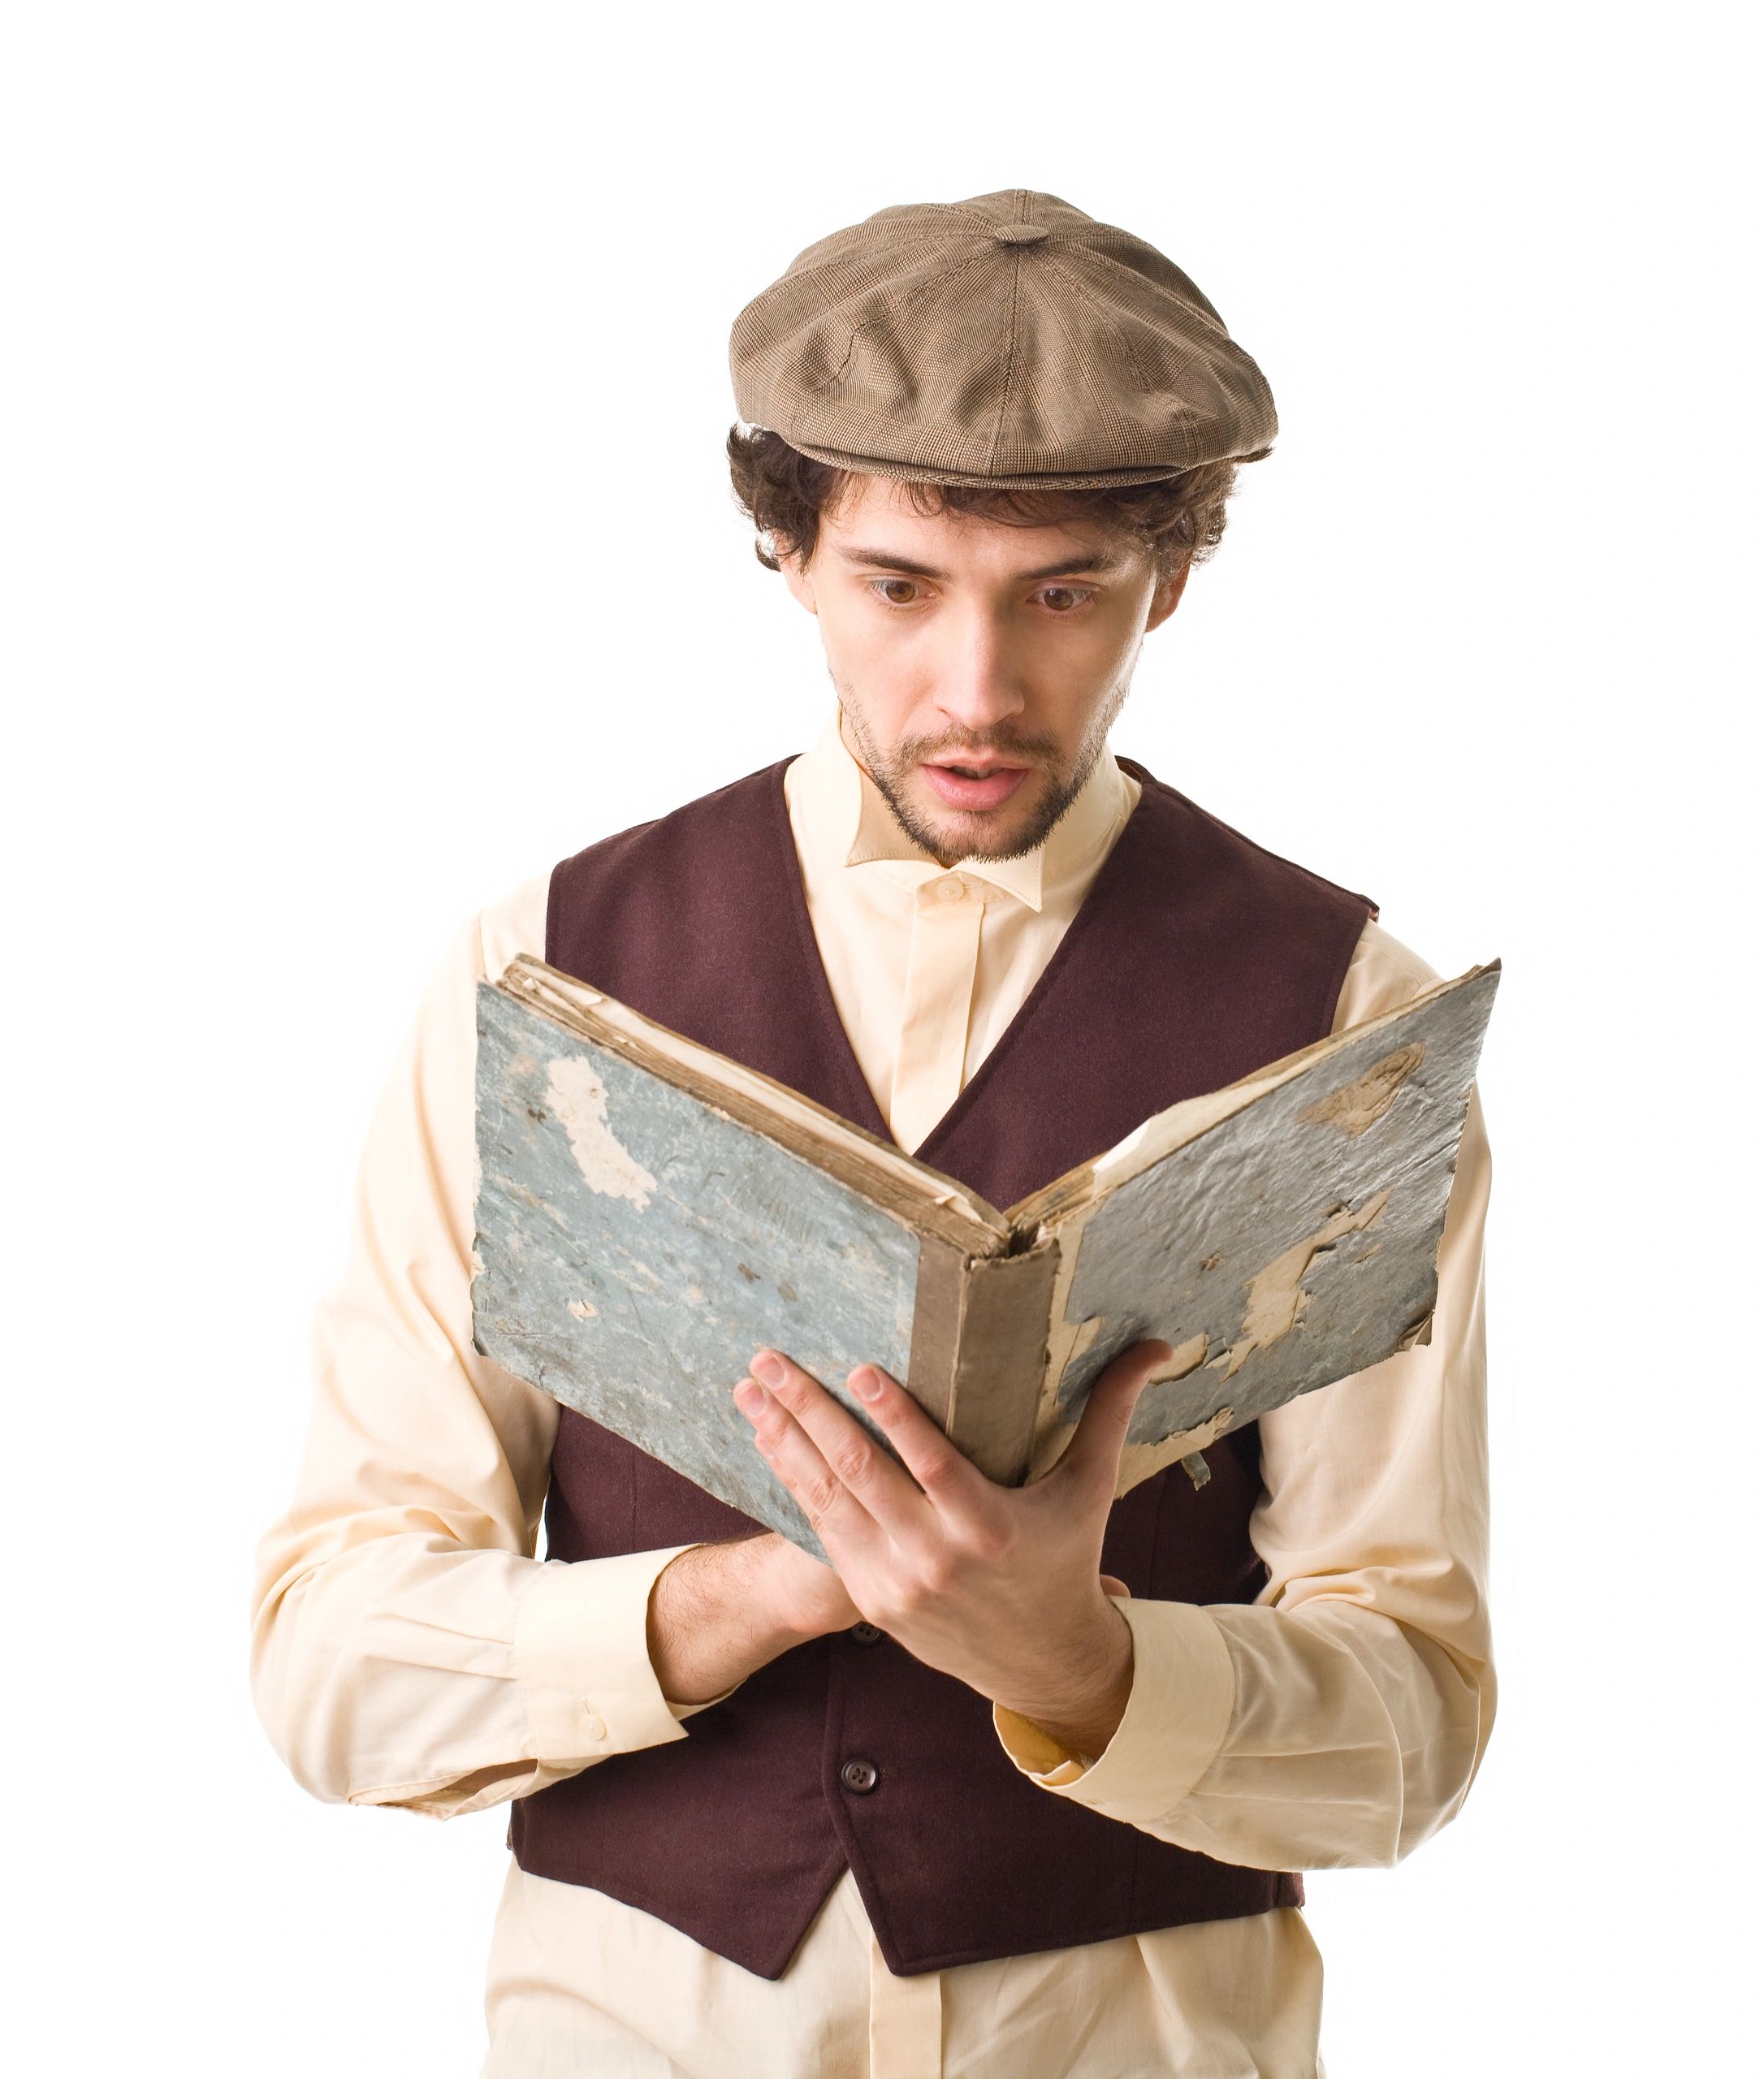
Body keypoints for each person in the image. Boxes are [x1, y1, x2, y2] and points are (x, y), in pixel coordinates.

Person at [251, 188, 1495, 2079]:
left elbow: (1409, 1725)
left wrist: (1076, 1661)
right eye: (899, 586)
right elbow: (329, 1665)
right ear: (785, 546)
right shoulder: (539, 969)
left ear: (1171, 575)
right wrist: (767, 1584)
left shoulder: (1341, 1020)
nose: (976, 689)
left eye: (1059, 591)